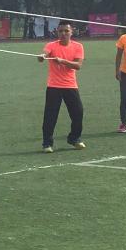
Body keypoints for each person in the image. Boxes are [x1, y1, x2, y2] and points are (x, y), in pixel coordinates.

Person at [36, 20, 86, 152]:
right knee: (50, 115)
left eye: (66, 31)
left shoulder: (78, 46)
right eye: (60, 31)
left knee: (78, 112)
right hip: (54, 86)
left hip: (70, 85)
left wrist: (62, 61)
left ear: (71, 32)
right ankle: (47, 143)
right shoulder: (51, 45)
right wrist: (42, 56)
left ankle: (74, 138)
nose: (63, 33)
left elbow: (78, 66)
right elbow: (44, 55)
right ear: (57, 32)